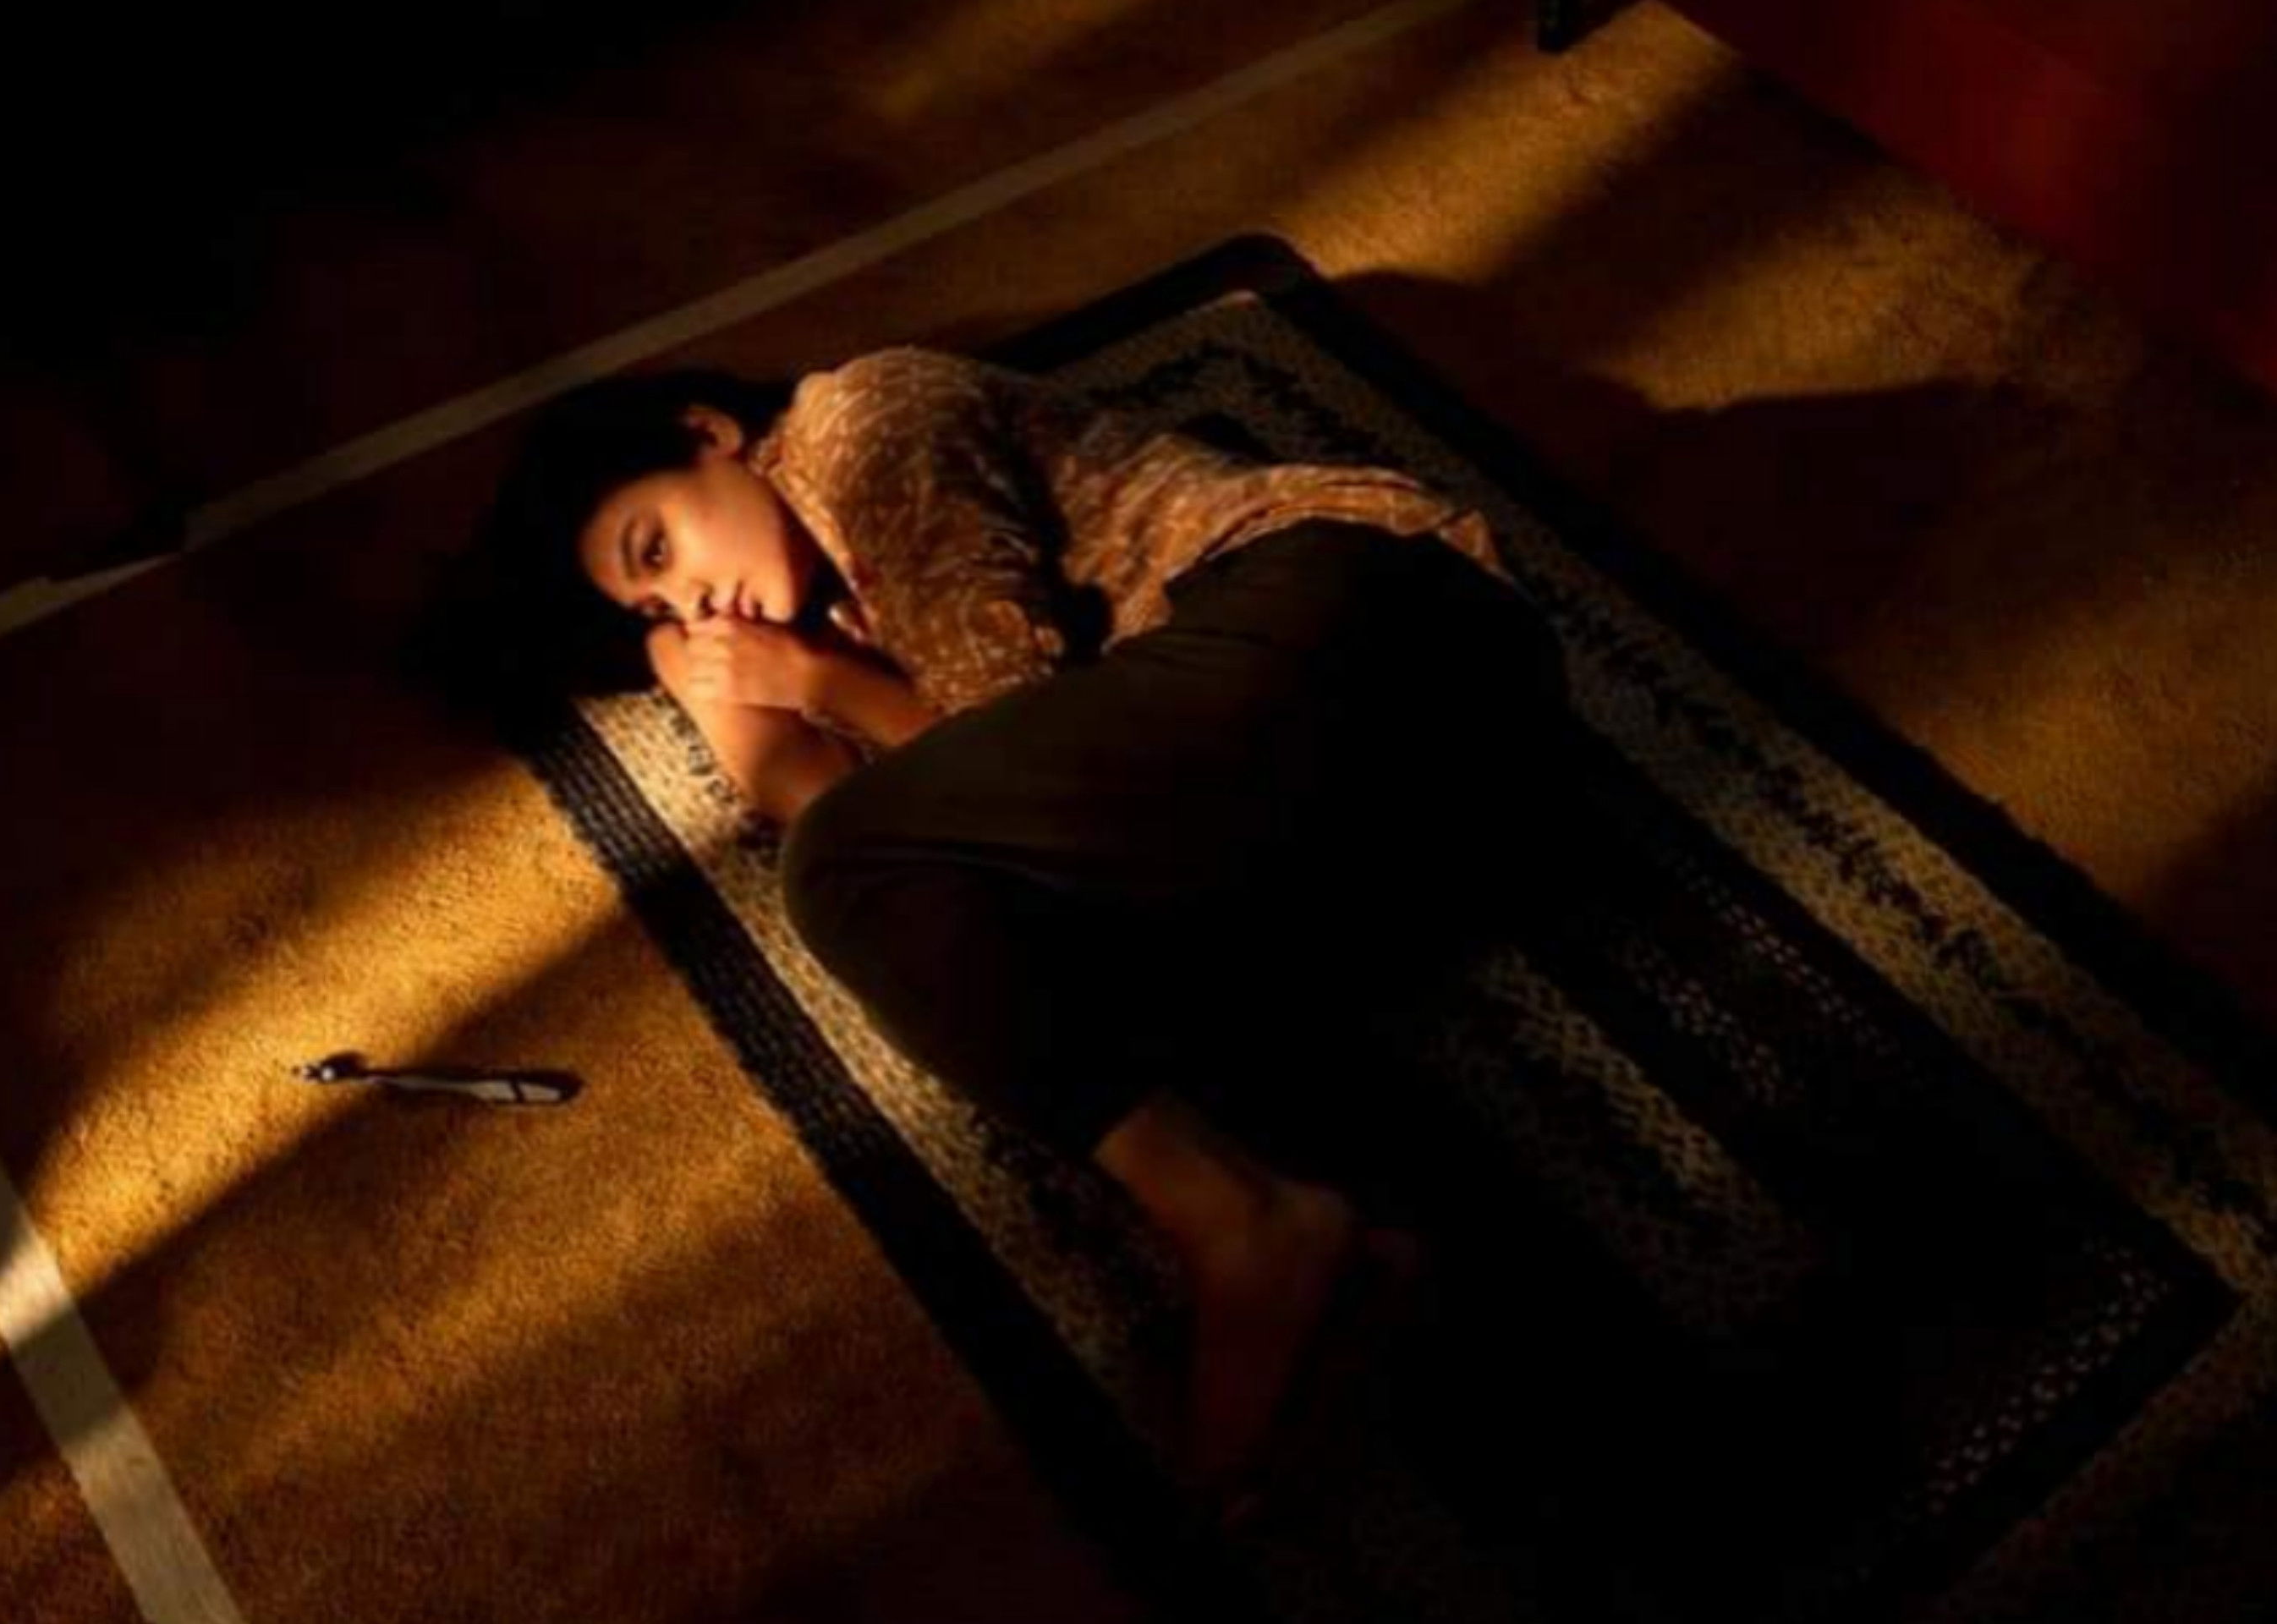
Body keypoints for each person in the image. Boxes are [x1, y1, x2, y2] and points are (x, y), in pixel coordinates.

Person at [462, 343, 1577, 1508]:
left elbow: (1003, 728)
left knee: (862, 879)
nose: (694, 602)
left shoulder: (861, 421)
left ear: (710, 433)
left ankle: (1239, 1220)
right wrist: (722, 690)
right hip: (1368, 818)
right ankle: (1322, 1246)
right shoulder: (821, 608)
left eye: (659, 549)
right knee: (953, 946)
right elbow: (866, 831)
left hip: (1367, 619)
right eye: (657, 606)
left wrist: (825, 689)